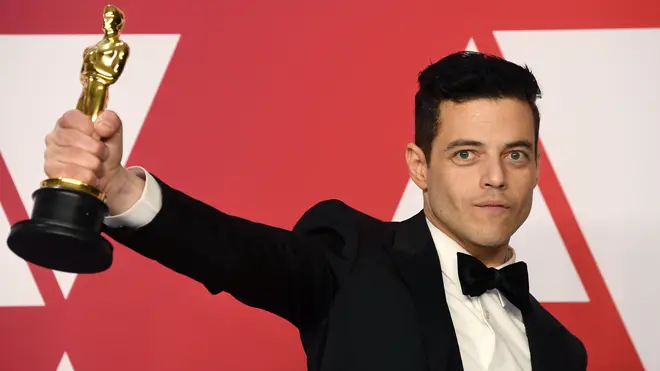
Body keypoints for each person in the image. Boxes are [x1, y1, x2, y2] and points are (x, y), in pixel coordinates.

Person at [43, 51, 587, 371]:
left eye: (514, 155)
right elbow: (236, 253)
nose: (495, 176)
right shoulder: (351, 258)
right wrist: (115, 187)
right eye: (465, 154)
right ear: (419, 167)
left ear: (536, 167)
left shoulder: (563, 350)